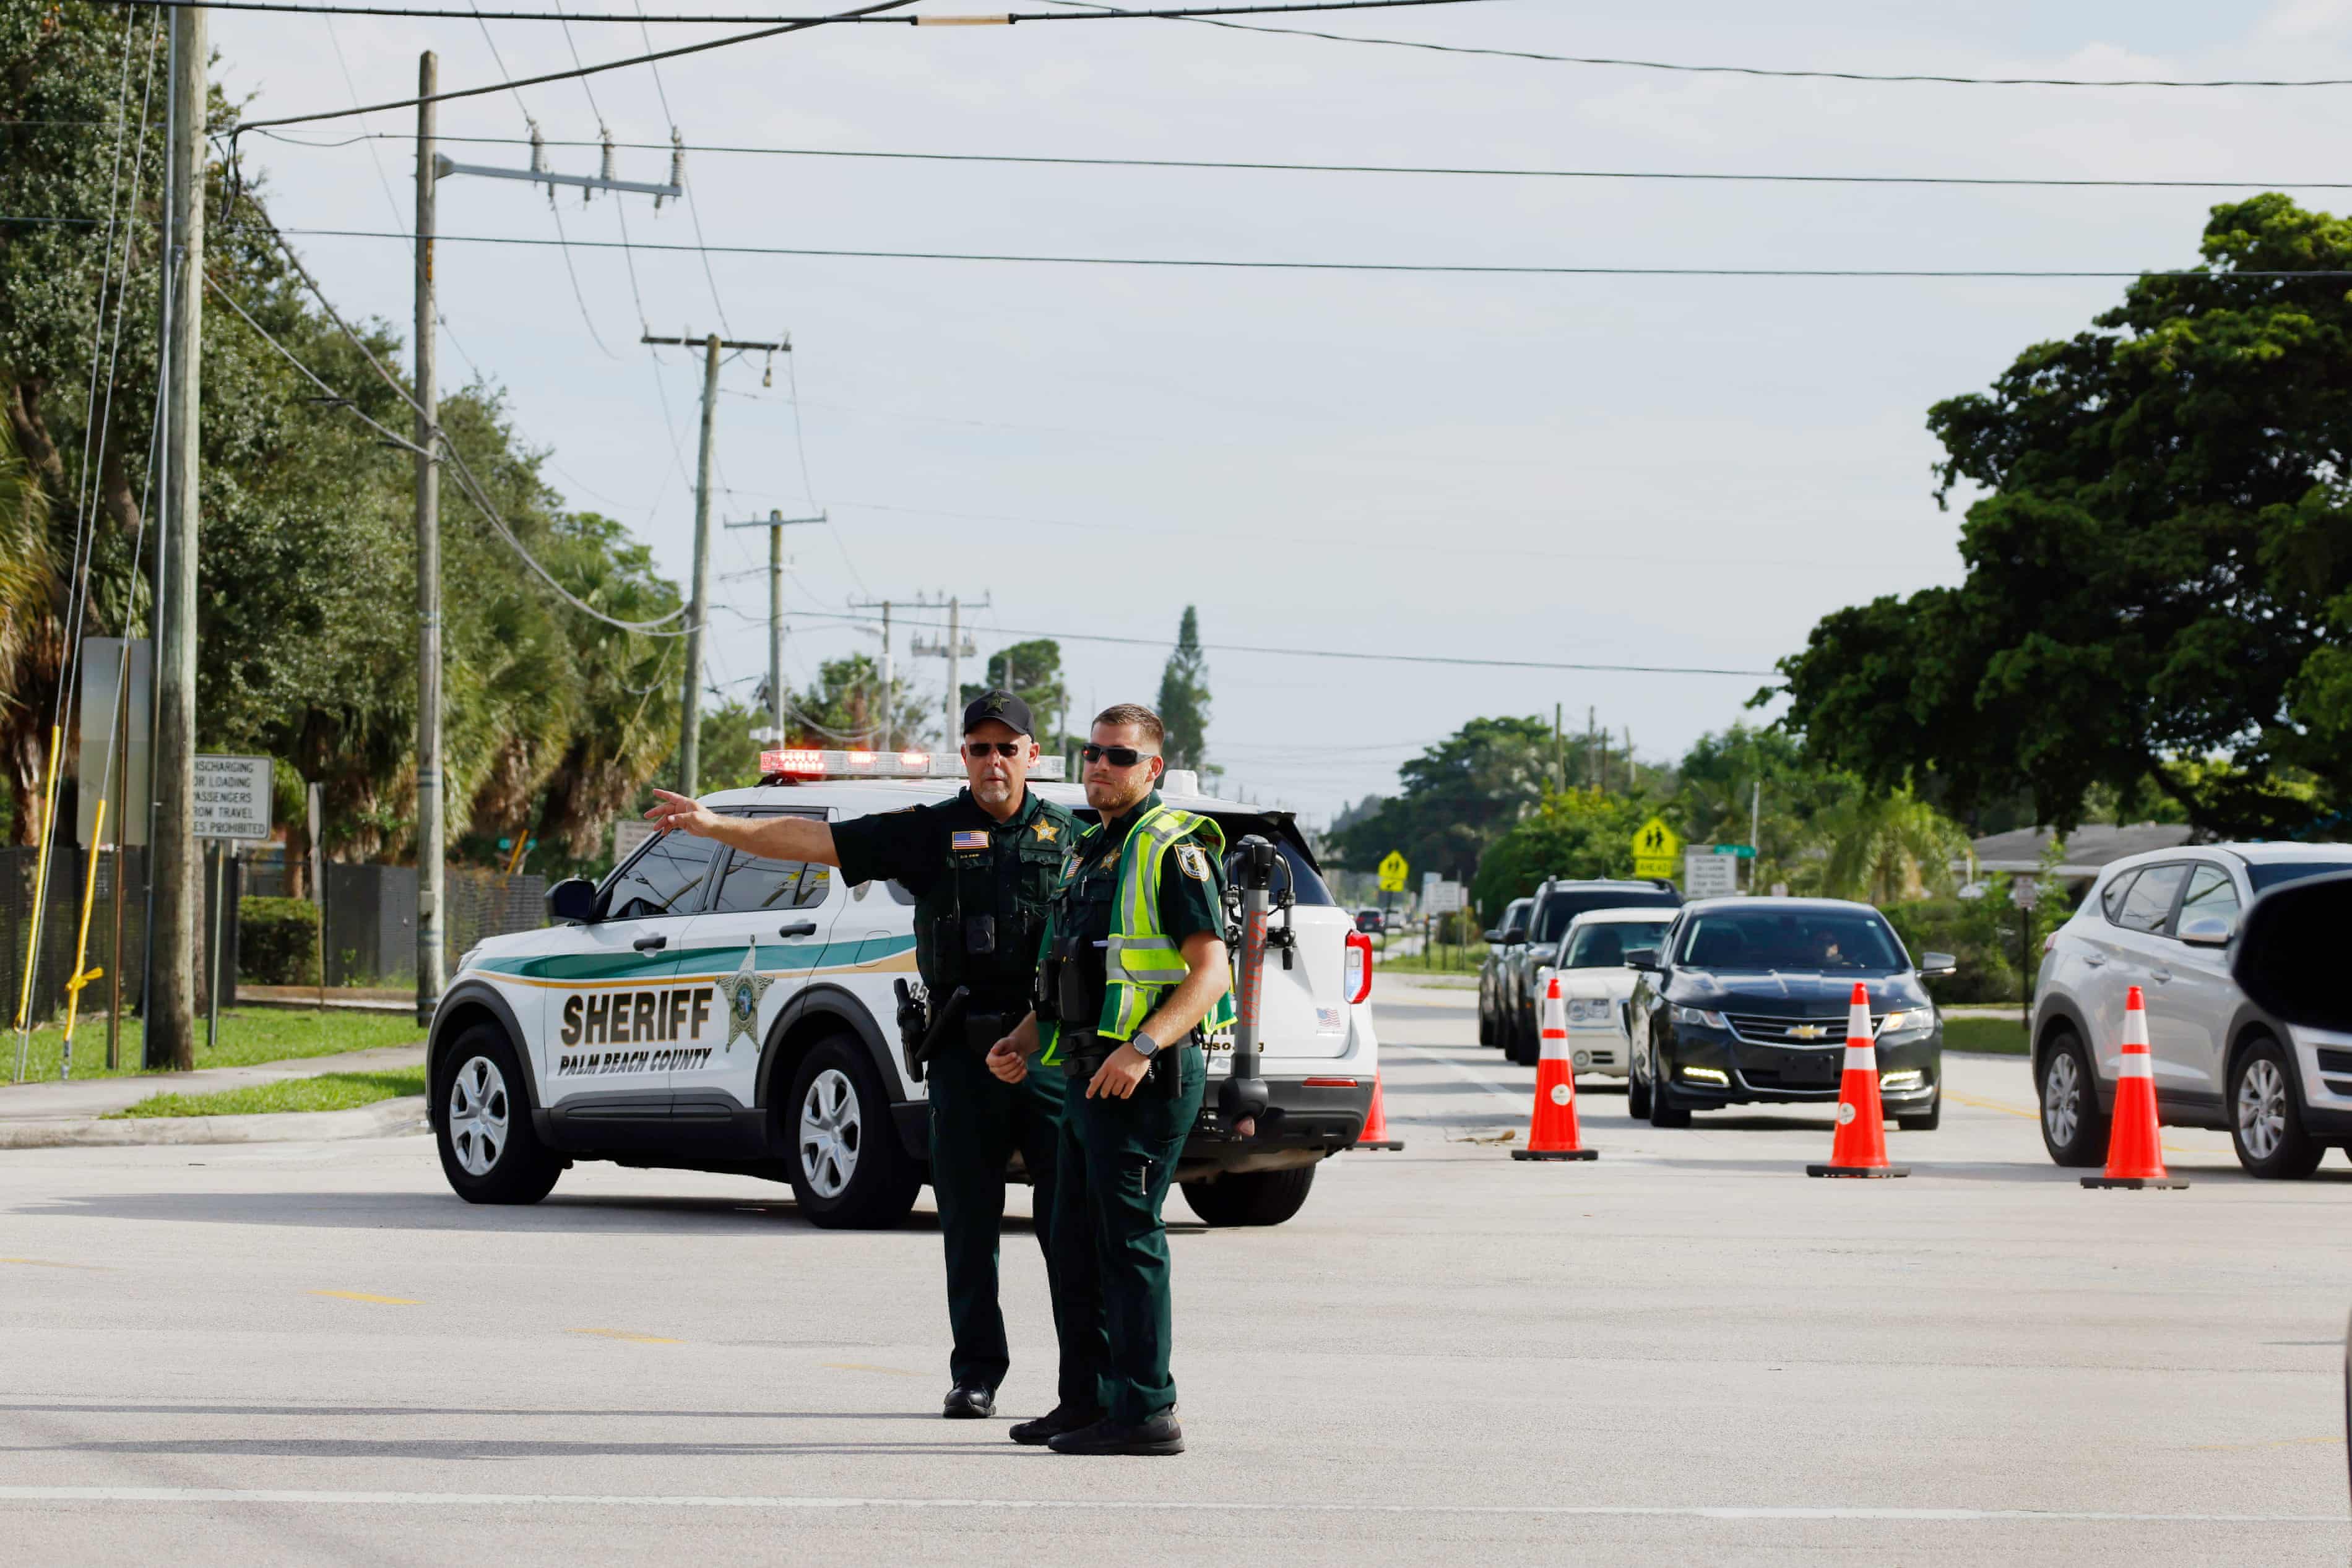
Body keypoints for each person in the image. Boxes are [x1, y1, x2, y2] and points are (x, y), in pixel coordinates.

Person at [642, 691, 1084, 1426]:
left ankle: (1083, 1383)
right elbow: (817, 842)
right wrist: (718, 824)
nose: (994, 760)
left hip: (1044, 1050)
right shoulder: (930, 831)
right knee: (968, 1225)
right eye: (979, 747)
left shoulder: (1071, 837)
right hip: (961, 1047)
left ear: (1033, 755)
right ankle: (975, 1373)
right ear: (965, 756)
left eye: (1008, 747)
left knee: (1067, 1224)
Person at [985, 703, 1233, 1456]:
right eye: (1090, 752)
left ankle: (1146, 1408)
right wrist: (1023, 1039)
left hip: (1143, 1077)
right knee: (1071, 1238)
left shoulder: (1170, 845)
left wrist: (1144, 1047)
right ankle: (1086, 1400)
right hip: (1084, 1071)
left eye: (1119, 756)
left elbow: (1209, 970)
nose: (1099, 766)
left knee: (1127, 1241)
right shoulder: (1089, 848)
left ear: (1151, 768)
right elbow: (1076, 973)